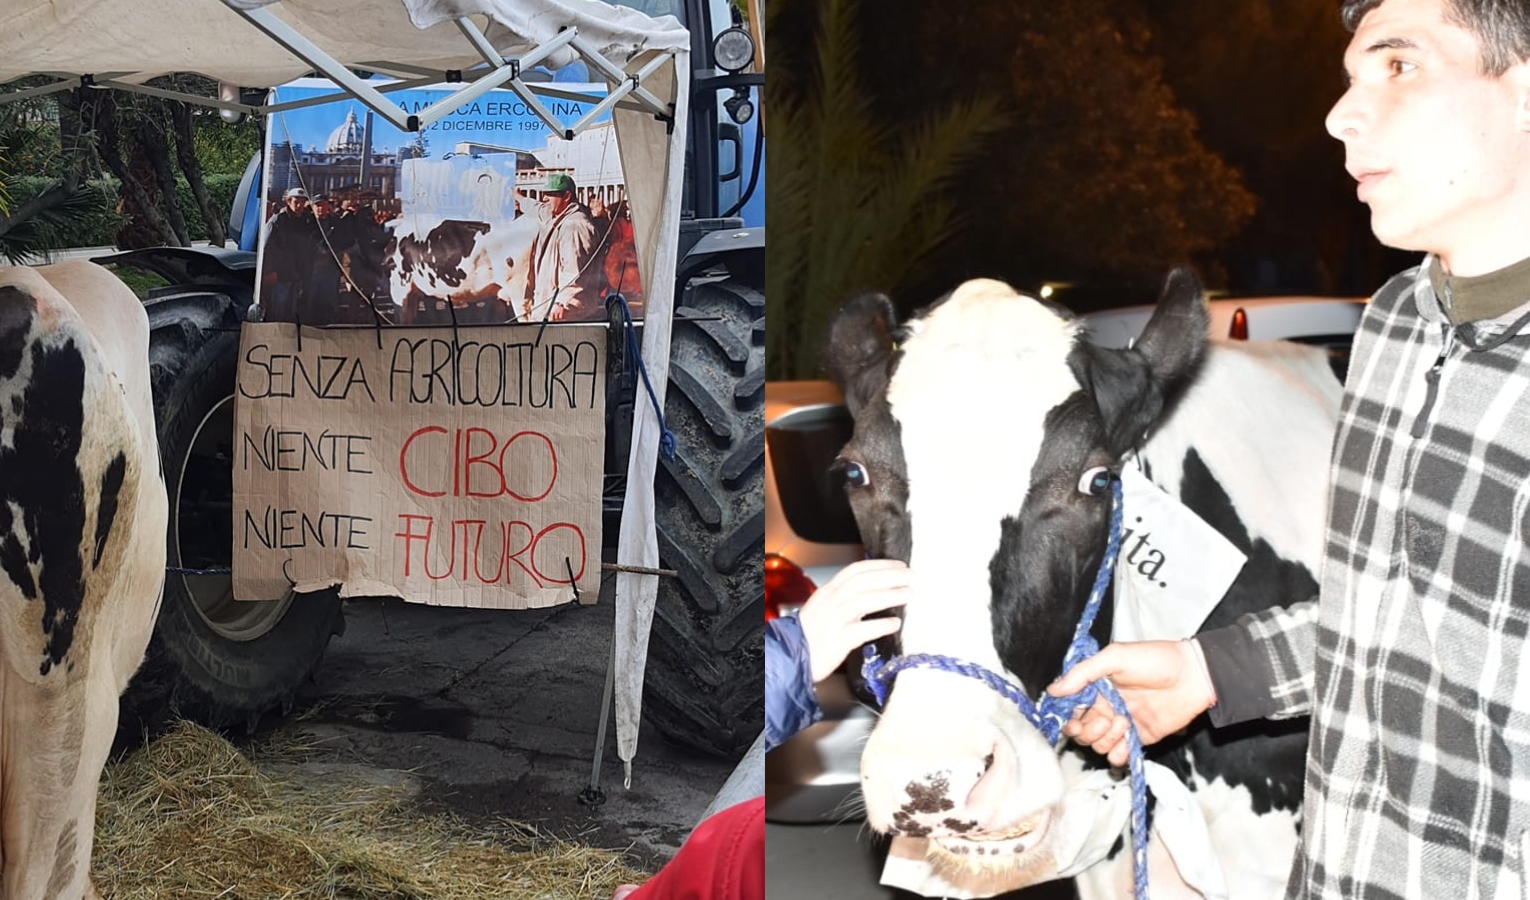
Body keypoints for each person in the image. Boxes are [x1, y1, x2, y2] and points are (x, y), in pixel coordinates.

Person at [1047, 0, 1530, 896]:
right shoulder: (1395, 327)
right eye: (1349, 79)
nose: (1340, 113)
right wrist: (1208, 669)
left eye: (1397, 66)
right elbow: (1395, 620)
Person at [610, 559, 912, 900]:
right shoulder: (742, 844)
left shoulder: (736, 844)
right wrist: (791, 661)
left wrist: (792, 660)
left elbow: (729, 863)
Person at [522, 173, 606, 322]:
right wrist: (518, 198)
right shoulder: (556, 217)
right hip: (549, 309)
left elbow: (574, 271)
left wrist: (563, 302)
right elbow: (538, 209)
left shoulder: (574, 226)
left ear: (566, 196)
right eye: (543, 194)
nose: (544, 198)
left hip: (564, 313)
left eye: (550, 194)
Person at [261, 186, 322, 322]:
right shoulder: (278, 221)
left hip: (297, 275)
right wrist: (269, 271)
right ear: (288, 201)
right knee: (277, 312)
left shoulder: (304, 222)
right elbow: (267, 247)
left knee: (291, 312)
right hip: (280, 275)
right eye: (296, 201)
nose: (299, 205)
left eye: (302, 202)